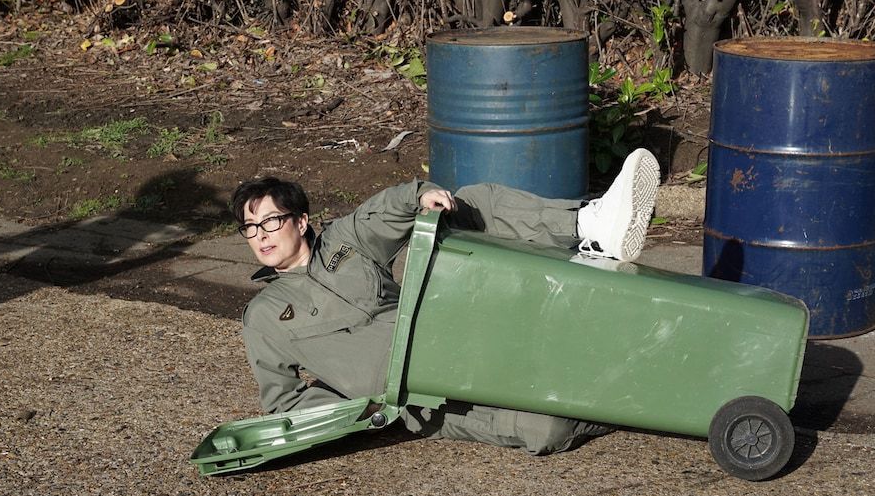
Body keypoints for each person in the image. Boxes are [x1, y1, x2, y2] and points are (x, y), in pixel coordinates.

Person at [230, 149, 661, 455]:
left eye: (271, 221)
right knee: (546, 428)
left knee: (470, 201)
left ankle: (590, 224)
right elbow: (284, 405)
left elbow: (385, 208)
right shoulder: (264, 316)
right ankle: (648, 400)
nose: (261, 236)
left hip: (453, 337)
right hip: (417, 402)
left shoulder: (344, 241)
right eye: (250, 228)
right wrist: (358, 409)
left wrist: (420, 196)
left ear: (301, 221)